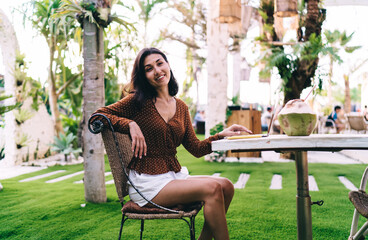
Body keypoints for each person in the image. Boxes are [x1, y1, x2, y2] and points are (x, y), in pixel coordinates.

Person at [92, 48, 252, 240]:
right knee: (213, 189)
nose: (157, 71)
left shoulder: (182, 107)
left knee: (226, 186)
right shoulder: (137, 102)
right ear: (144, 76)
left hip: (171, 176)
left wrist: (220, 135)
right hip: (146, 183)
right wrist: (130, 124)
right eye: (149, 68)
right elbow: (97, 116)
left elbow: (195, 148)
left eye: (160, 63)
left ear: (168, 65)